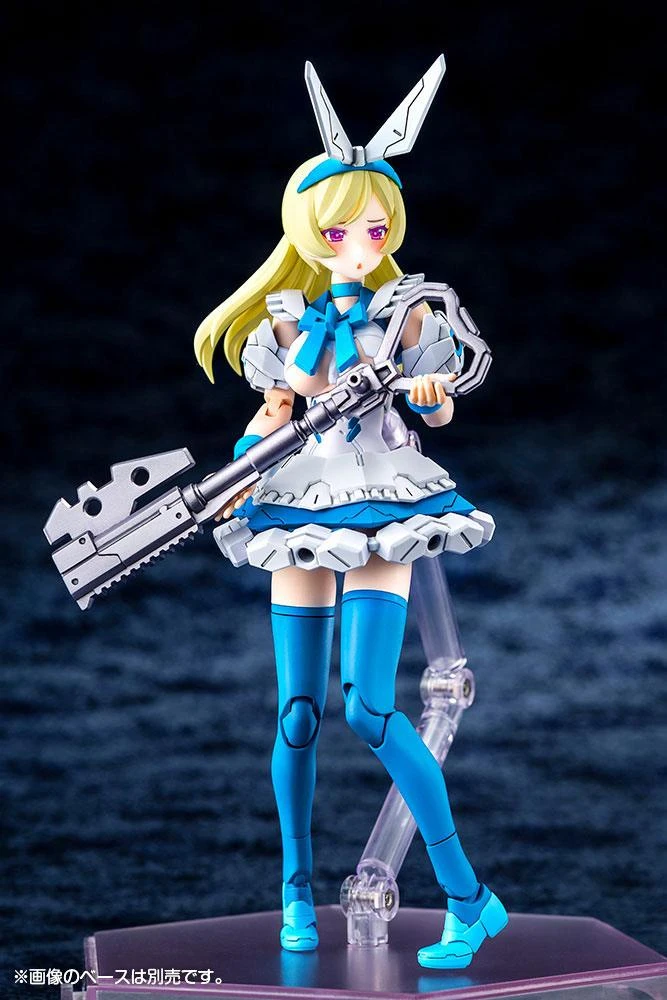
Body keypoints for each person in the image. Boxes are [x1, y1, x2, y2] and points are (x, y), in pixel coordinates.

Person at [194, 56, 507, 970]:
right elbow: (269, 419)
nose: (359, 244)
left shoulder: (408, 315)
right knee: (297, 712)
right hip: (301, 500)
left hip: (383, 499)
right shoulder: (284, 325)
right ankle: (294, 893)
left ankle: (468, 898)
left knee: (369, 707)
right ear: (309, 232)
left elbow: (437, 406)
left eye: (374, 228)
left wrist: (433, 395)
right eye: (340, 230)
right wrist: (241, 466)